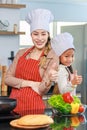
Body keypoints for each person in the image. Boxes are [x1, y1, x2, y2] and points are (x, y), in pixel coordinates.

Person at [5, 8, 59, 115]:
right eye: (35, 34)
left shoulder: (52, 56)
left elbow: (41, 90)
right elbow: (7, 79)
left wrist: (48, 80)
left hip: (34, 108)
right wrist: (30, 83)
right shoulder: (21, 53)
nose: (39, 38)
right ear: (31, 35)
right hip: (13, 107)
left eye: (43, 34)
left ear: (48, 35)